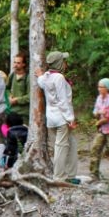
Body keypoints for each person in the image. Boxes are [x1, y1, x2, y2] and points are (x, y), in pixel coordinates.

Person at [37, 50, 78, 182]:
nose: (66, 64)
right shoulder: (59, 78)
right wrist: (71, 119)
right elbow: (62, 101)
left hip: (51, 118)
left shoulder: (46, 77)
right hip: (61, 118)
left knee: (71, 143)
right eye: (64, 61)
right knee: (60, 147)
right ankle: (59, 177)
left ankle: (71, 175)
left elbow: (40, 81)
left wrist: (39, 75)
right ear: (60, 63)